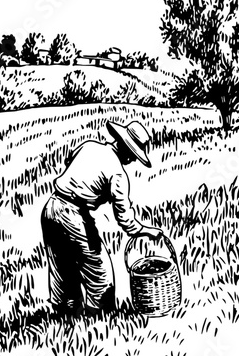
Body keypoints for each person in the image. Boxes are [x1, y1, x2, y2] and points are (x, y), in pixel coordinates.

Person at [41, 120, 162, 317]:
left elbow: (68, 160)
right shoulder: (118, 175)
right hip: (73, 215)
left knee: (62, 269)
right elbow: (125, 219)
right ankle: (100, 317)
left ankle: (65, 317)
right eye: (132, 154)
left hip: (51, 208)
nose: (131, 160)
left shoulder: (89, 146)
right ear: (124, 147)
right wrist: (146, 231)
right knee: (100, 273)